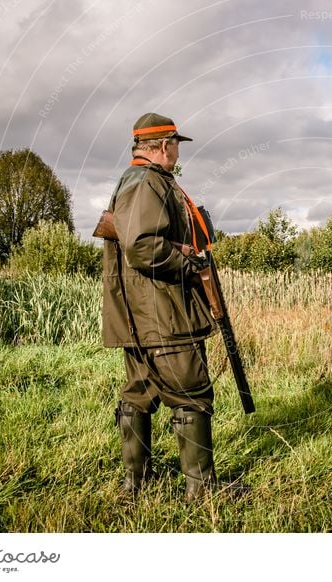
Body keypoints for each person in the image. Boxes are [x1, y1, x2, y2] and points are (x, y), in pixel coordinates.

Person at [102, 112, 222, 501]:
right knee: (191, 391)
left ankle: (135, 485)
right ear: (163, 145)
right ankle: (202, 492)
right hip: (162, 312)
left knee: (140, 390)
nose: (176, 152)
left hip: (143, 315)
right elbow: (141, 246)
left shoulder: (139, 180)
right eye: (175, 145)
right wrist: (188, 262)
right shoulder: (148, 182)